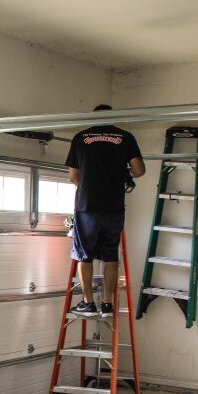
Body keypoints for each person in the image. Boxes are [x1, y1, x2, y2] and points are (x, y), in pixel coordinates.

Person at [65, 104, 145, 315]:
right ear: (114, 116)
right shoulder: (125, 137)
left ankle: (88, 303)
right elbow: (139, 170)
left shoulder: (80, 137)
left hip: (87, 206)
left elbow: (73, 177)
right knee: (111, 256)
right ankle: (108, 303)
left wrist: (91, 186)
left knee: (84, 256)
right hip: (113, 207)